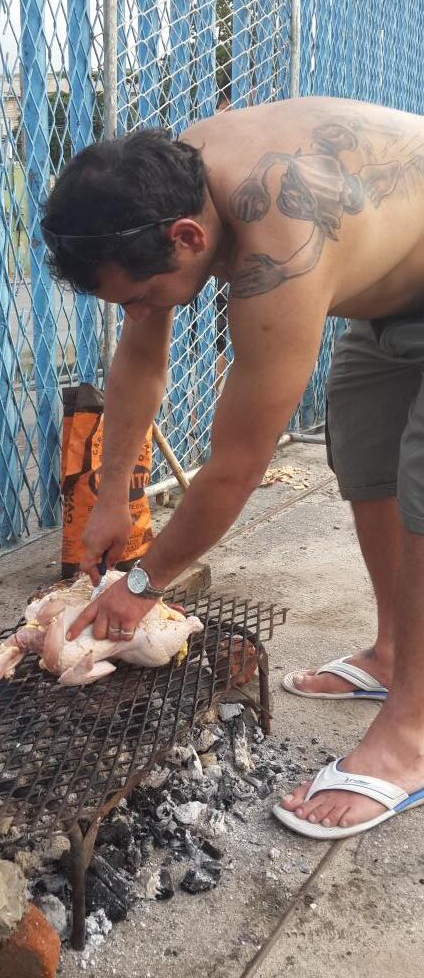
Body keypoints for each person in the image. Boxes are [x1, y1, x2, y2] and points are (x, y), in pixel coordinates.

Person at [40, 97, 424, 840]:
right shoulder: (162, 188)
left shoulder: (277, 246)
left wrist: (144, 586)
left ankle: (410, 735)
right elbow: (140, 353)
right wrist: (109, 499)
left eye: (144, 292)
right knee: (367, 463)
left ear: (187, 238)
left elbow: (235, 465)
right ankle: (387, 653)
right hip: (391, 294)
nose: (141, 308)